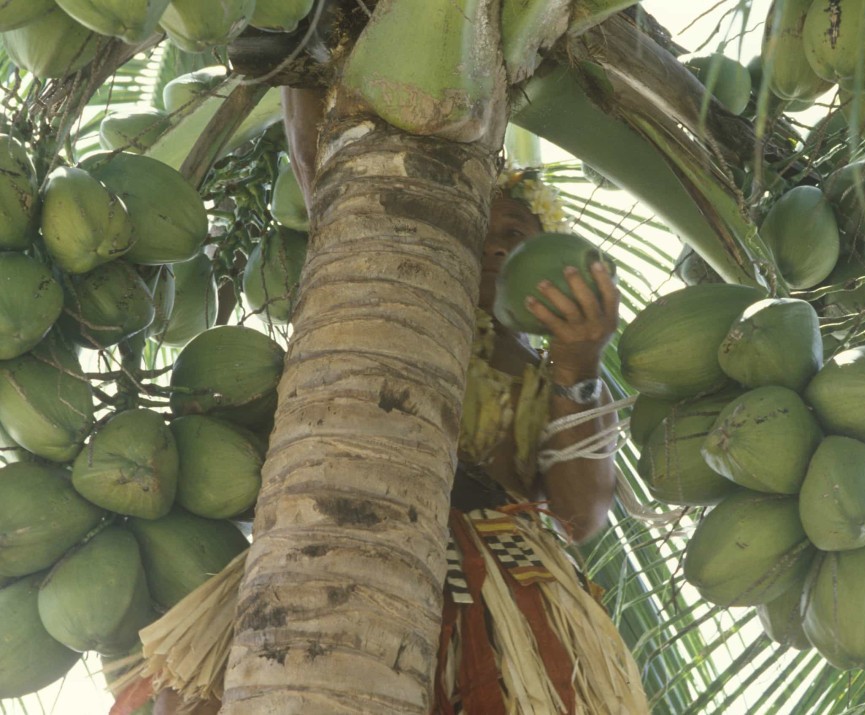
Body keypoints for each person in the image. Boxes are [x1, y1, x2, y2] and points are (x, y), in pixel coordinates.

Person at [146, 88, 647, 714]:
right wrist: (302, 71)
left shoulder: (559, 379)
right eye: (480, 226)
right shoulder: (372, 309)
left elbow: (580, 518)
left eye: (517, 233)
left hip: (495, 582)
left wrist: (578, 362)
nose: (494, 246)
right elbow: (322, 178)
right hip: (333, 533)